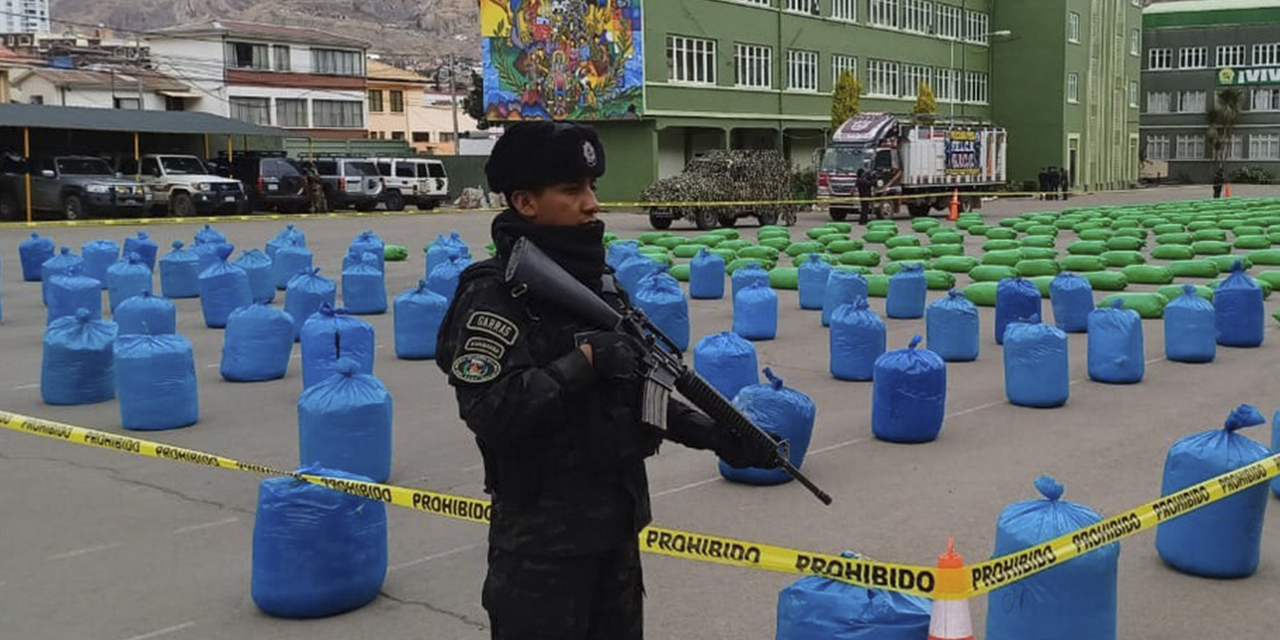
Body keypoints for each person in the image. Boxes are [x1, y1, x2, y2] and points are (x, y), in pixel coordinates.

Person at [435, 121, 782, 640]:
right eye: (572, 191)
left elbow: (640, 392)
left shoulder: (598, 285)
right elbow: (493, 410)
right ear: (525, 202)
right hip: (541, 552)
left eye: (592, 187)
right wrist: (585, 362)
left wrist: (716, 434)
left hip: (614, 535)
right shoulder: (497, 295)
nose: (592, 203)